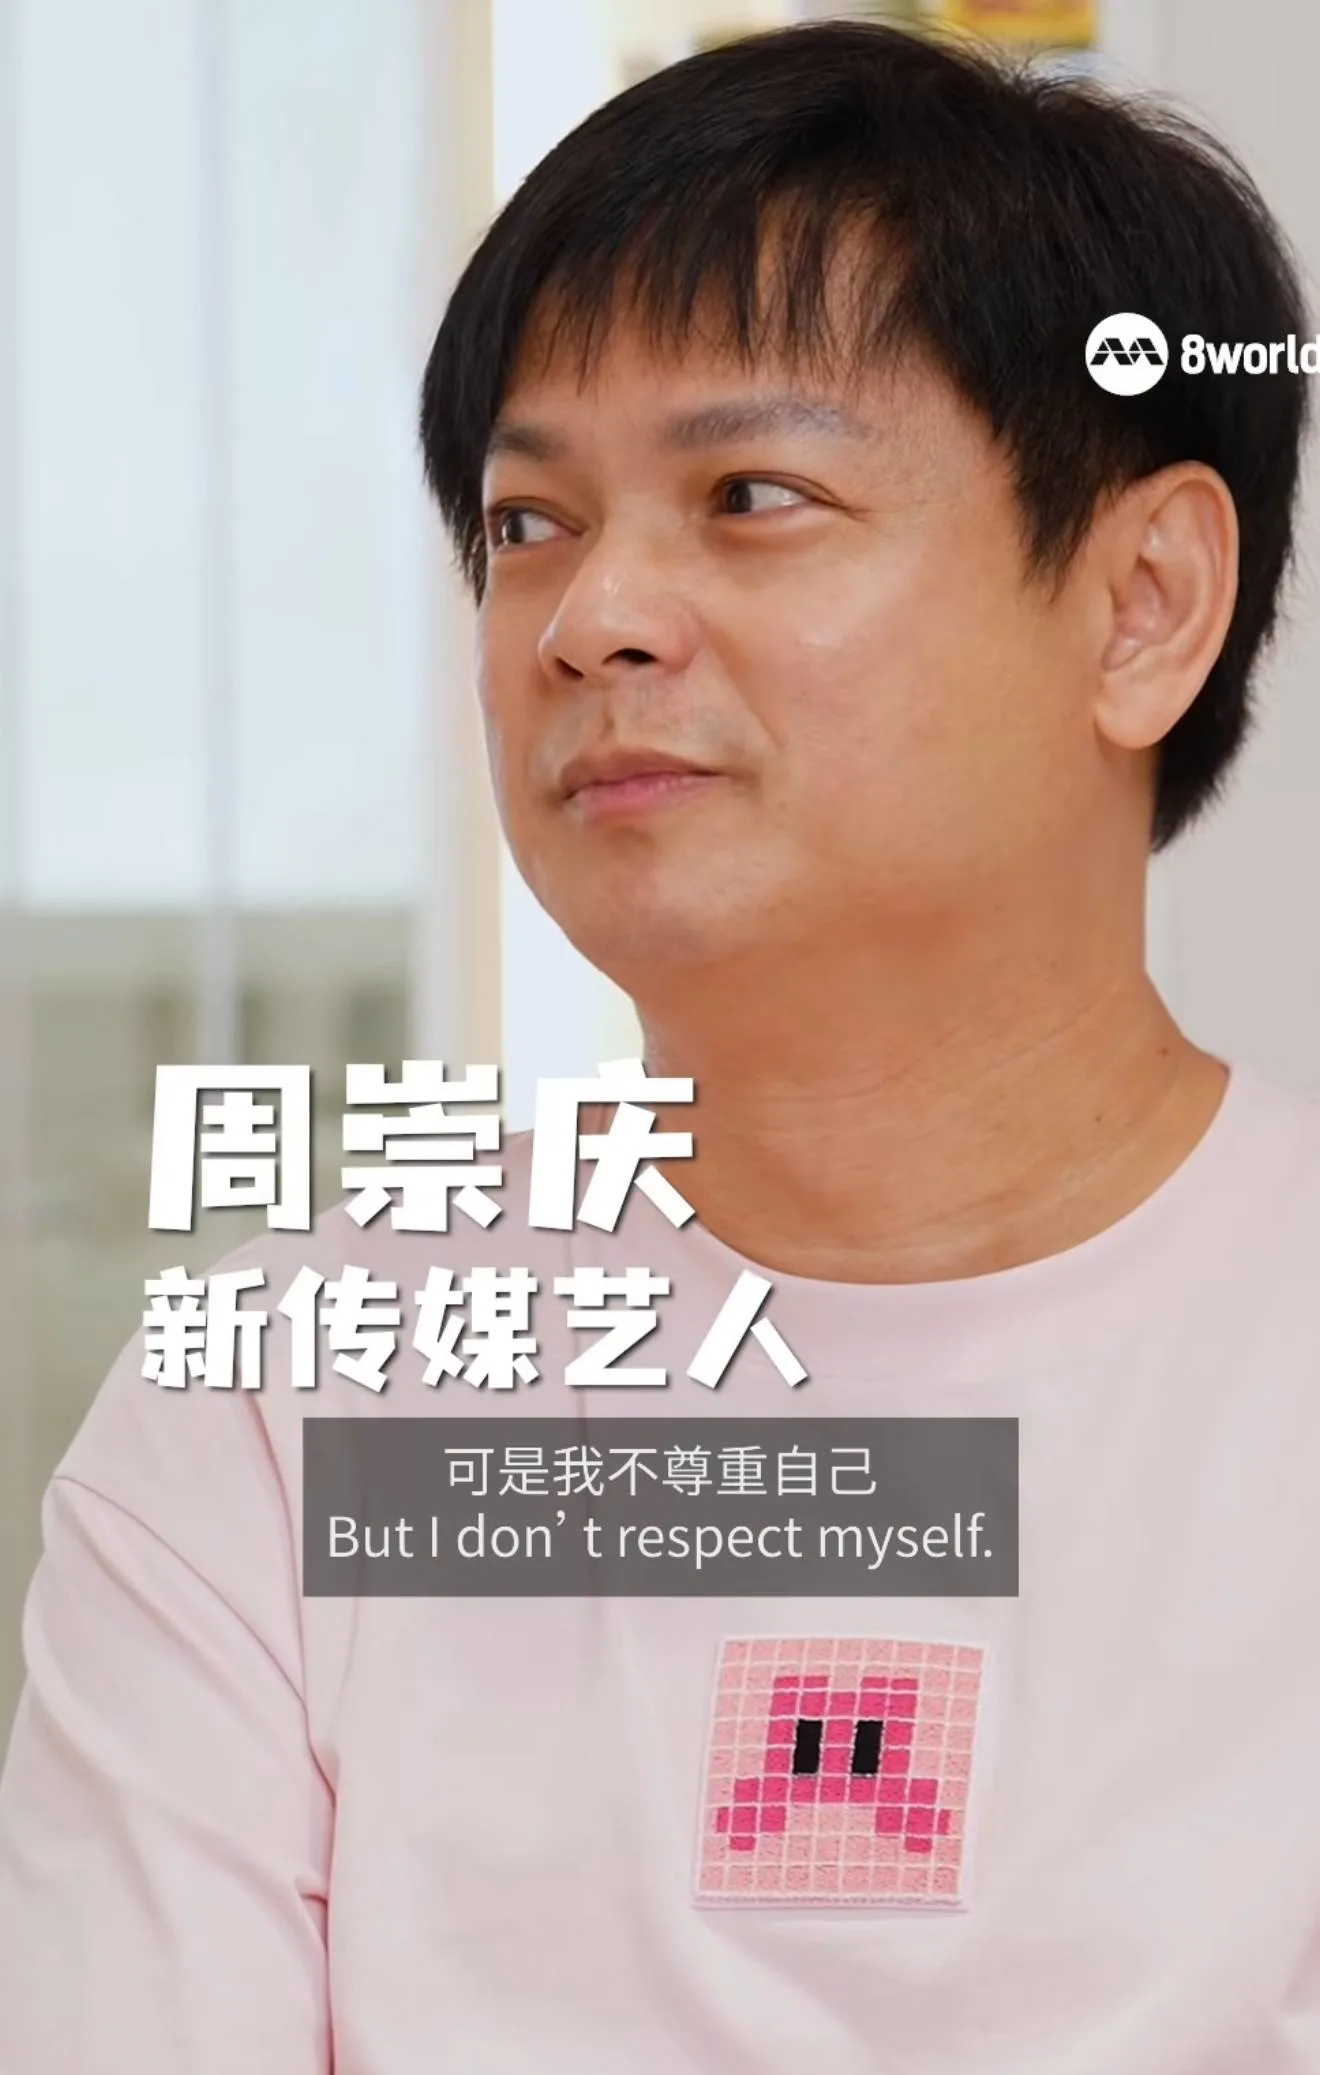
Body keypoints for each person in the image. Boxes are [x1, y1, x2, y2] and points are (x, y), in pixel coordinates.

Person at [2, 17, 1319, 2071]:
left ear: (1143, 600)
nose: (589, 617)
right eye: (528, 522)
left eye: (750, 492)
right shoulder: (278, 1406)